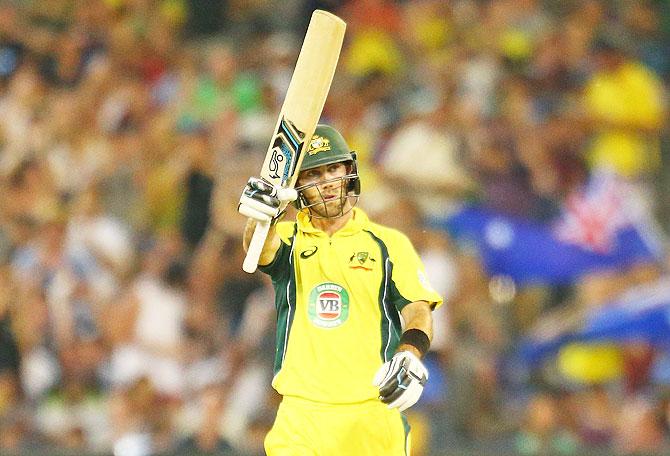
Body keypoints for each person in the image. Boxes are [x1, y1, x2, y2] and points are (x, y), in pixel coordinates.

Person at [237, 124, 443, 455]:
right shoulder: (289, 239)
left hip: (372, 412)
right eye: (314, 174)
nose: (328, 183)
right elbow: (258, 249)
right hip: (302, 415)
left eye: (333, 169)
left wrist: (410, 353)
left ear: (349, 170)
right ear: (298, 184)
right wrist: (261, 217)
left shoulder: (388, 244)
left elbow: (418, 309)